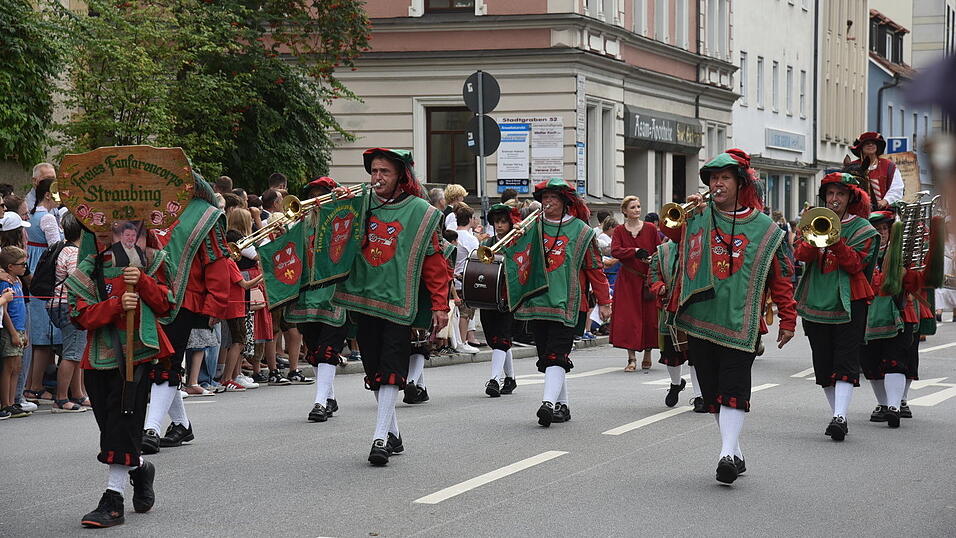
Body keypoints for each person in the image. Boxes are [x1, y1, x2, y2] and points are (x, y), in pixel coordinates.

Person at [662, 149, 797, 485]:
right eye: (713, 178)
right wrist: (692, 214)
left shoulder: (766, 228)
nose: (717, 184)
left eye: (724, 178)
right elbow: (673, 235)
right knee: (712, 394)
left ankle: (725, 456)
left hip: (742, 322)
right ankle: (733, 450)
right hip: (701, 318)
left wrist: (789, 318)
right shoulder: (699, 216)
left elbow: (780, 276)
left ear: (740, 183)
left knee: (734, 389)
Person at [333, 147, 450, 466]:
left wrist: (440, 304)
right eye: (373, 171)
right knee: (374, 370)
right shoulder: (359, 203)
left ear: (401, 175)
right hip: (362, 299)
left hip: (399, 304)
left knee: (391, 370)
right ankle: (391, 431)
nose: (377, 177)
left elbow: (434, 262)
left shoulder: (420, 212)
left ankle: (380, 438)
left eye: (384, 171)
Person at [68, 224, 174, 528]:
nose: (123, 237)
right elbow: (78, 315)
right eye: (113, 232)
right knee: (111, 430)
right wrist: (115, 306)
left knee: (122, 424)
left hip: (138, 355)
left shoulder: (155, 261)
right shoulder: (90, 267)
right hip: (99, 358)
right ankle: (140, 468)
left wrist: (142, 282)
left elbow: (168, 305)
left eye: (131, 230)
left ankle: (113, 501)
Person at [141, 174, 232, 454]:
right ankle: (181, 424)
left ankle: (151, 428)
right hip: (147, 294)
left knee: (165, 361)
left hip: (183, 300)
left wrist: (216, 304)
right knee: (158, 361)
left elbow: (216, 261)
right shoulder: (148, 207)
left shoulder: (204, 215)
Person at [515, 178, 611, 427]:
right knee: (550, 356)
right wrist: (516, 238)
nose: (547, 202)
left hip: (569, 304)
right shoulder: (532, 226)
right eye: (544, 197)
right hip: (538, 301)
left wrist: (604, 301)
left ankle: (547, 404)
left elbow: (595, 268)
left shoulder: (581, 230)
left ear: (565, 202)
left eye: (553, 198)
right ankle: (562, 405)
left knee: (557, 355)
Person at [794, 172, 878, 442]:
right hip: (817, 300)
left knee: (845, 360)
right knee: (824, 362)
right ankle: (836, 414)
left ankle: (840, 416)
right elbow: (801, 255)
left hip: (850, 302)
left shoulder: (864, 229)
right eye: (830, 194)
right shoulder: (813, 222)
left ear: (850, 198)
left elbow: (856, 265)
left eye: (840, 194)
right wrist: (811, 234)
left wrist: (836, 239)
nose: (834, 199)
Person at [285, 177, 351, 422]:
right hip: (307, 297)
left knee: (327, 351)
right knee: (314, 351)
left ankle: (320, 403)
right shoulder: (301, 225)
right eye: (313, 195)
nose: (316, 200)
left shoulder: (344, 222)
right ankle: (330, 398)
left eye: (321, 194)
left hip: (335, 296)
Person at [647, 239, 703, 410]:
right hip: (669, 308)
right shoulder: (662, 250)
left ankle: (699, 396)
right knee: (672, 355)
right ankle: (675, 384)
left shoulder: (700, 245)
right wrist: (659, 286)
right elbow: (653, 276)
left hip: (696, 308)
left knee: (697, 356)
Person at [22, 178, 63, 408]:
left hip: (36, 269)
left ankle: (31, 385)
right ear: (48, 195)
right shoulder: (47, 217)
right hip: (45, 274)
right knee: (43, 337)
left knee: (39, 336)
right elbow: (56, 248)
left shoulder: (33, 215)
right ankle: (35, 386)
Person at [610, 196, 661, 371]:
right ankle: (631, 358)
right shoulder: (619, 230)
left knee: (649, 317)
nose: (637, 210)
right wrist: (635, 251)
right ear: (625, 211)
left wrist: (651, 259)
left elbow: (659, 250)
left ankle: (647, 354)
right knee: (629, 318)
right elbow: (615, 250)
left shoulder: (650, 229)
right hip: (627, 279)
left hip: (647, 278)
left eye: (639, 206)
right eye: (633, 207)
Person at [48, 214, 90, 412]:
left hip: (62, 304)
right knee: (72, 353)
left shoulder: (66, 249)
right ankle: (62, 398)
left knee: (77, 351)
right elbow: (77, 280)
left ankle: (79, 394)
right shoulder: (74, 253)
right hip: (69, 304)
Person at [481, 203, 519, 398]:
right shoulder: (487, 243)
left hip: (508, 296)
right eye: (497, 221)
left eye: (504, 221)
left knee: (501, 339)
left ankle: (494, 380)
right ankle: (510, 378)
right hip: (489, 296)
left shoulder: (516, 242)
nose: (500, 225)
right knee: (496, 340)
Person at [0, 247, 29, 419]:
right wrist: (13, 333)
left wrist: (24, 332)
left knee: (17, 367)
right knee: (9, 367)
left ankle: (12, 401)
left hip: (20, 328)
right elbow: (5, 312)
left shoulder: (17, 280)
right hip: (11, 330)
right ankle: (6, 403)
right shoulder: (6, 283)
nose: (25, 267)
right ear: (10, 266)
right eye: (22, 264)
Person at [848, 132, 904, 209]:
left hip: (883, 211)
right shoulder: (852, 167)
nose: (870, 145)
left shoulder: (888, 166)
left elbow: (896, 188)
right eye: (867, 143)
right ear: (861, 147)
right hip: (857, 211)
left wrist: (885, 201)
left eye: (873, 143)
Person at [453, 205, 480, 353]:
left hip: (452, 280)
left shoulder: (451, 234)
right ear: (469, 219)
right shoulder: (471, 239)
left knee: (455, 314)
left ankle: (457, 341)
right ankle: (462, 342)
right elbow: (475, 259)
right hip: (465, 279)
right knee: (465, 313)